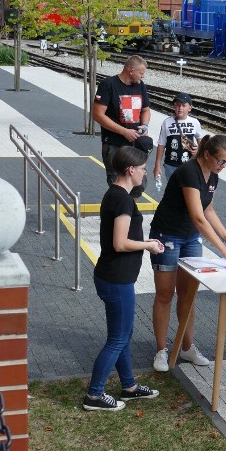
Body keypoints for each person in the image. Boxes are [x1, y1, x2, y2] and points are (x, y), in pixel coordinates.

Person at [149, 134, 226, 372]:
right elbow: (198, 217)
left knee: (188, 294)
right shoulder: (189, 172)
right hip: (167, 235)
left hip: (190, 237)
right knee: (164, 294)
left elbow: (208, 208)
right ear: (207, 155)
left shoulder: (213, 176)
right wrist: (223, 252)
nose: (223, 167)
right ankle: (161, 350)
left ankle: (187, 347)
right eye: (221, 161)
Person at [84, 146, 164, 412]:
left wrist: (145, 242)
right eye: (142, 168)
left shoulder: (117, 195)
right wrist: (148, 246)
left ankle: (128, 386)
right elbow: (119, 243)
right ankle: (94, 395)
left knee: (123, 334)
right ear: (131, 170)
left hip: (114, 277)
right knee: (117, 338)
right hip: (116, 279)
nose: (144, 173)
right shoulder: (123, 200)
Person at [92, 55, 151, 186]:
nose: (143, 77)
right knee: (118, 182)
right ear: (131, 71)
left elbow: (146, 110)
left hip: (135, 146)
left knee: (138, 184)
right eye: (141, 73)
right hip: (114, 145)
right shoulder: (108, 85)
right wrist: (124, 131)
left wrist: (145, 126)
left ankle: (131, 206)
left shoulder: (140, 86)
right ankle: (120, 206)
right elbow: (97, 115)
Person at [153, 92, 204, 182]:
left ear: (190, 108)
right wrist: (157, 165)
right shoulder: (167, 122)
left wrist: (198, 151)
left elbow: (202, 142)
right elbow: (161, 144)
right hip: (170, 165)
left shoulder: (194, 122)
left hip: (189, 165)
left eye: (183, 105)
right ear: (174, 106)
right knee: (173, 191)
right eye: (177, 105)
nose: (180, 108)